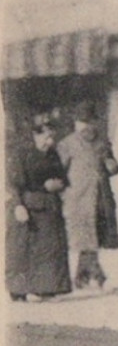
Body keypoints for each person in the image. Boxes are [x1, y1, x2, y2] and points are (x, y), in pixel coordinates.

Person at [5, 114, 72, 302]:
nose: (49, 142)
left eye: (52, 137)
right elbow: (13, 183)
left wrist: (58, 184)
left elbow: (63, 178)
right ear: (35, 135)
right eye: (46, 137)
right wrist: (19, 205)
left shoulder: (53, 154)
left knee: (49, 250)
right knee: (22, 250)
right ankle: (18, 290)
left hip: (49, 208)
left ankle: (46, 288)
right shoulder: (20, 154)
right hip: (27, 207)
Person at [57, 100, 118, 289]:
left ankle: (81, 278)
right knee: (87, 238)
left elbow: (112, 164)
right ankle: (98, 276)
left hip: (99, 198)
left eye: (90, 122)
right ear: (76, 124)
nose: (86, 127)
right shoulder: (67, 144)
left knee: (92, 238)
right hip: (77, 198)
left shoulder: (102, 143)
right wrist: (61, 193)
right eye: (82, 122)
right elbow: (59, 170)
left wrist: (113, 166)